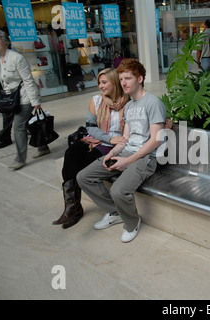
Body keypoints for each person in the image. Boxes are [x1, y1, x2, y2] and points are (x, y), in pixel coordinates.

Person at [77, 59, 166, 243]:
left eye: (128, 78)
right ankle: (114, 212)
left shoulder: (153, 102)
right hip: (126, 153)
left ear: (140, 78)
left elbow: (156, 140)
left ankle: (132, 223)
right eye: (121, 79)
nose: (123, 83)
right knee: (84, 177)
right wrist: (111, 153)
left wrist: (128, 160)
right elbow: (125, 139)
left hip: (145, 157)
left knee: (118, 190)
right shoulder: (129, 106)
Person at [53, 68, 130, 229]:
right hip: (96, 139)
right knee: (71, 153)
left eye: (104, 82)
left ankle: (74, 209)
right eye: (99, 83)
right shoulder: (96, 101)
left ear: (114, 82)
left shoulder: (128, 102)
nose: (100, 86)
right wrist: (109, 137)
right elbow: (91, 128)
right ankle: (72, 208)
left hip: (114, 146)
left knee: (83, 165)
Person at [0, 29, 50, 170]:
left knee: (18, 127)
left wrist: (35, 102)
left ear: (6, 42)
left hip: (24, 97)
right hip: (13, 99)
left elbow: (28, 80)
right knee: (29, 124)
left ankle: (20, 159)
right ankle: (43, 147)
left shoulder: (17, 58)